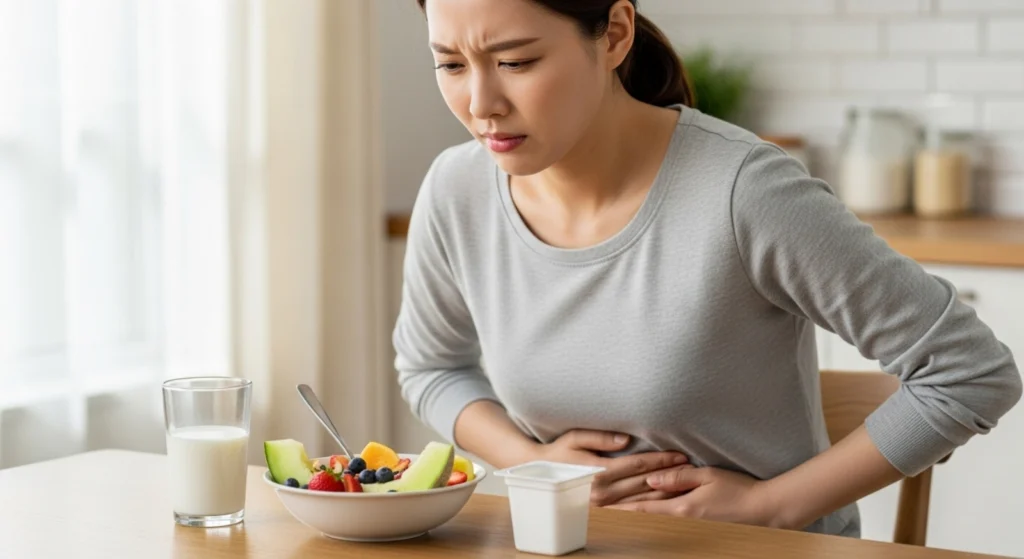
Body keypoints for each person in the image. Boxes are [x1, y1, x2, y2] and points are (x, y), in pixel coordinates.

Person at [392, 0, 1022, 538]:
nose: (481, 104)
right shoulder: (456, 190)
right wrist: (532, 461)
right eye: (450, 64)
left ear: (614, 34)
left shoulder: (744, 192)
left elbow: (970, 371)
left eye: (515, 62)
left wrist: (770, 507)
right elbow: (431, 366)